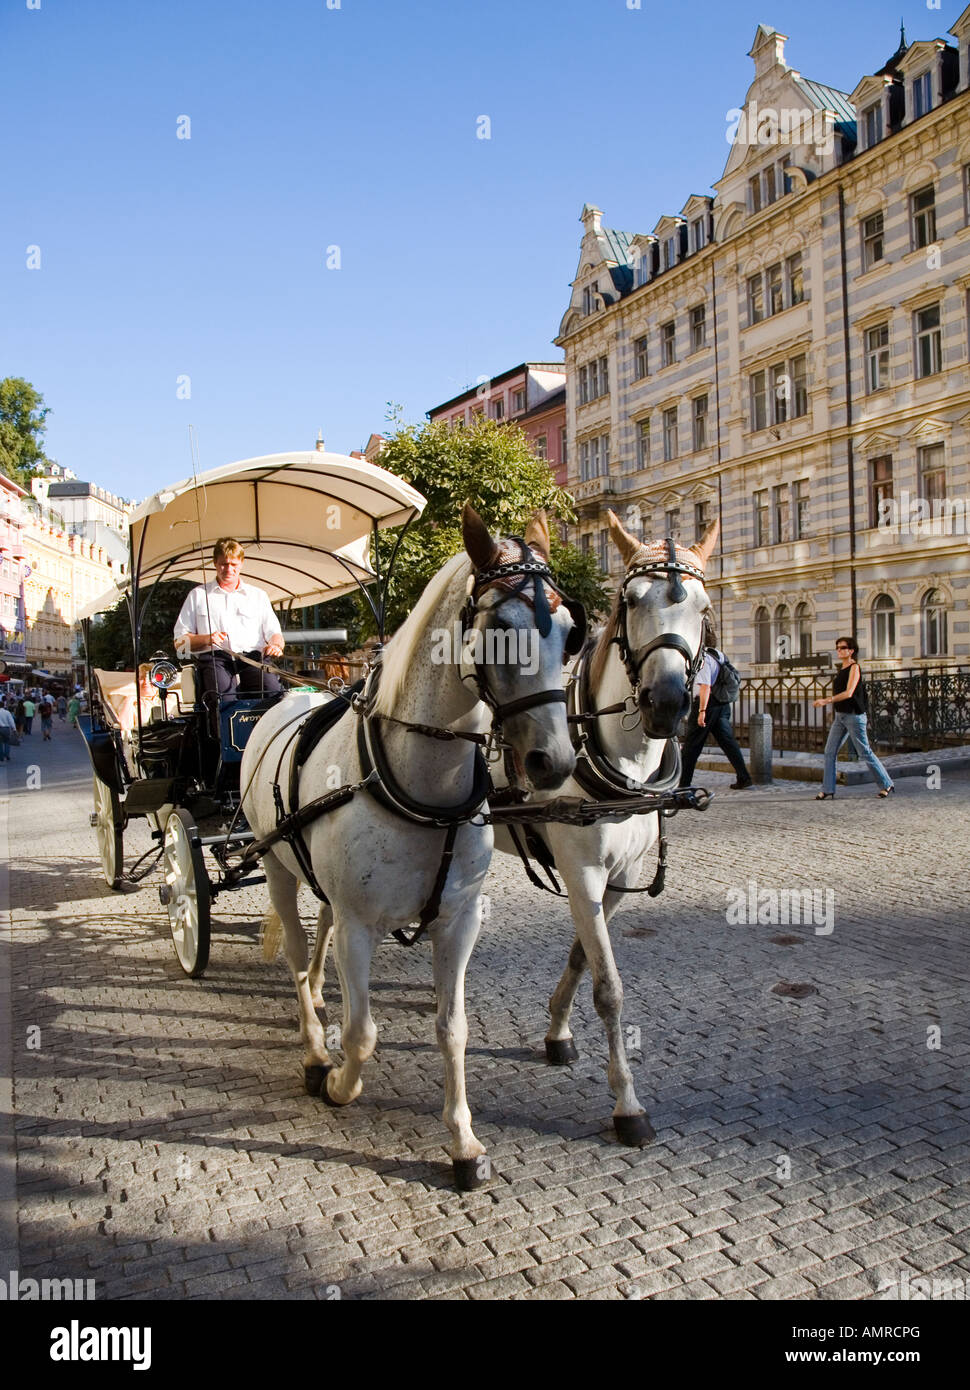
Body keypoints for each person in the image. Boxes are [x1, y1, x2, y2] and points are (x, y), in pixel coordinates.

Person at [174, 538, 284, 702]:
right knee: (222, 698)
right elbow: (180, 643)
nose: (229, 569)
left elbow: (275, 633)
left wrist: (275, 645)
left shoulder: (258, 595)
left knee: (273, 692)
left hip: (252, 658)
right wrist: (207, 639)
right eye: (223, 564)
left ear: (241, 563)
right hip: (216, 659)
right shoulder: (197, 595)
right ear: (215, 563)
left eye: (233, 564)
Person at [813, 636, 894, 799]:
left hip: (854, 717)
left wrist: (826, 700)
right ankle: (828, 789)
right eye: (837, 647)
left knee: (864, 752)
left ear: (851, 651)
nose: (839, 650)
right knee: (829, 751)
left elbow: (849, 693)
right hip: (840, 717)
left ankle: (886, 783)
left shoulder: (854, 668)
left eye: (842, 647)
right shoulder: (841, 669)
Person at [679, 618, 752, 790]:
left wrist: (702, 711)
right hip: (722, 704)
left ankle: (683, 783)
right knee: (728, 742)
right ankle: (744, 777)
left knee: (692, 745)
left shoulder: (703, 658)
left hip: (707, 704)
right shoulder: (718, 654)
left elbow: (705, 686)